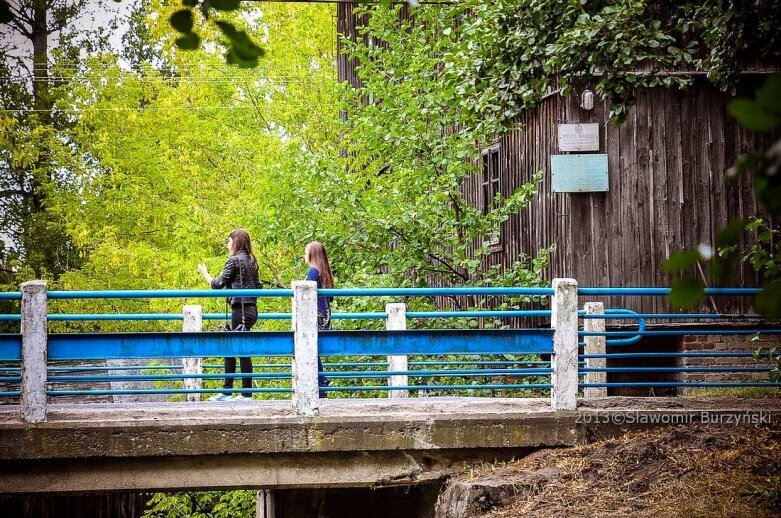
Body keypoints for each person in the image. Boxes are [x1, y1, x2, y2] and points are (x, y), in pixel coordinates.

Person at [198, 229, 260, 401]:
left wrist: (205, 273)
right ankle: (240, 392)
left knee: (233, 348)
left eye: (229, 241)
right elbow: (258, 286)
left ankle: (232, 392)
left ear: (236, 242)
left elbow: (217, 284)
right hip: (251, 310)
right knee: (240, 349)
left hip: (239, 311)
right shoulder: (252, 261)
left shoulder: (234, 261)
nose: (227, 245)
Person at [304, 241, 334, 398]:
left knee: (309, 350)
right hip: (325, 317)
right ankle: (322, 381)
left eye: (306, 251)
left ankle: (321, 382)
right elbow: (330, 297)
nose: (304, 255)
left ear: (311, 254)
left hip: (313, 318)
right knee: (314, 351)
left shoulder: (313, 272)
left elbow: (305, 296)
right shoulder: (325, 272)